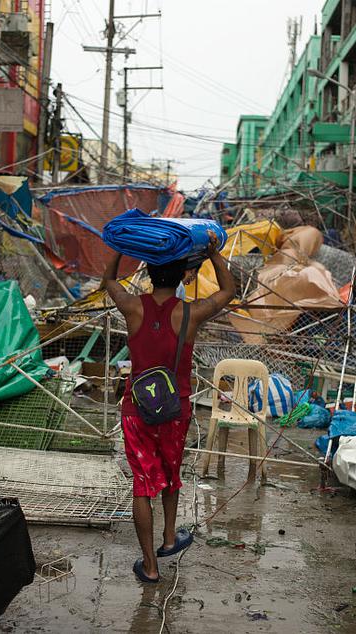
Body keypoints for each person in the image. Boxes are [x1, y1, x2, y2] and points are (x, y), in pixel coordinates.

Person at [102, 231, 236, 583]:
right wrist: (211, 252)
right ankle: (168, 537)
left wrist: (121, 246)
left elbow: (109, 280)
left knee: (143, 486)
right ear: (181, 277)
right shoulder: (190, 313)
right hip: (175, 411)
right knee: (171, 474)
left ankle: (149, 565)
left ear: (148, 274)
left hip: (136, 411)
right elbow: (227, 292)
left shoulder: (133, 307)